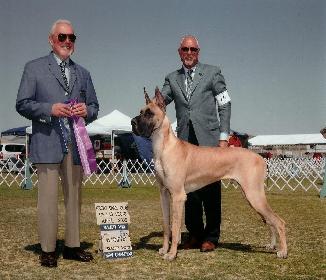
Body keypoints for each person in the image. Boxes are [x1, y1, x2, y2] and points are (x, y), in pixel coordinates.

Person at [16, 19, 99, 267]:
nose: (67, 42)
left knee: (74, 197)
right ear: (51, 40)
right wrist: (49, 109)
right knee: (48, 200)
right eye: (62, 37)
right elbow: (22, 104)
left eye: (71, 38)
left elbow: (95, 107)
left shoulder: (84, 73)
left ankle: (73, 246)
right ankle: (48, 249)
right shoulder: (34, 68)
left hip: (76, 147)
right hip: (48, 143)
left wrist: (87, 110)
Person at [161, 35, 231, 252]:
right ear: (179, 52)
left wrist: (223, 137)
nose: (189, 53)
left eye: (193, 49)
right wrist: (152, 103)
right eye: (185, 49)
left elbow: (225, 105)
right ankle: (194, 234)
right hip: (183, 140)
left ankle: (211, 236)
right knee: (187, 193)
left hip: (209, 141)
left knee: (211, 190)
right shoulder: (171, 78)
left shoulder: (213, 73)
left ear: (198, 52)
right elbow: (160, 101)